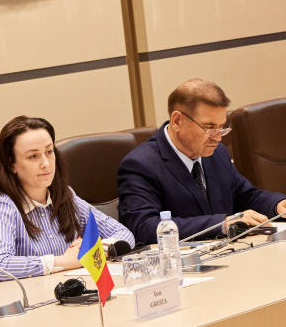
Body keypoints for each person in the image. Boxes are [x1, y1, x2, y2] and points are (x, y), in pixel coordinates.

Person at [118, 78, 286, 244]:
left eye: (221, 127)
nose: (218, 137)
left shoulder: (217, 153)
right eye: (210, 127)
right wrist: (222, 224)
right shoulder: (140, 165)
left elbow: (245, 196)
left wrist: (277, 205)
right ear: (177, 121)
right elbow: (143, 227)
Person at [0, 115, 134, 280]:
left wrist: (96, 250)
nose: (46, 163)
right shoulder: (1, 208)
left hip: (69, 290)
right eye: (33, 156)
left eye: (49, 152)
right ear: (11, 164)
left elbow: (123, 234)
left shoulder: (64, 195)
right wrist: (63, 261)